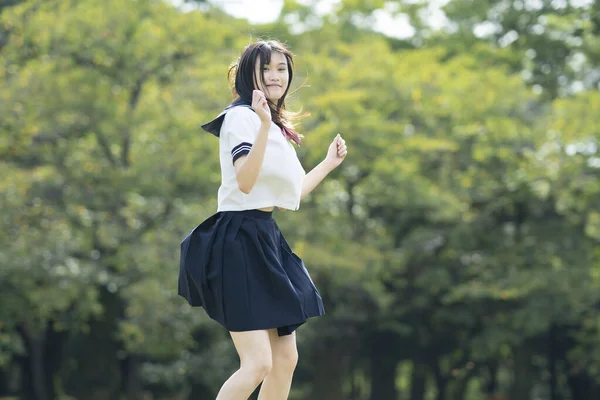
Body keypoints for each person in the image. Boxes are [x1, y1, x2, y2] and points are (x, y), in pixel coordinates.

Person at [178, 39, 348, 400]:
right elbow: (245, 180)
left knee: (286, 357)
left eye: (281, 69)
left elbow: (293, 195)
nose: (275, 75)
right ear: (247, 74)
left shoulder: (271, 126)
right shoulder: (242, 118)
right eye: (266, 68)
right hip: (236, 238)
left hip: (265, 235)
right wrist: (263, 125)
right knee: (257, 363)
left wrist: (329, 163)